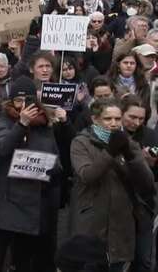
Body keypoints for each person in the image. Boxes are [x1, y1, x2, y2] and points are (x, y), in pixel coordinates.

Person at [0, 77, 65, 272]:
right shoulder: (3, 121)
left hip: (33, 197)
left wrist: (50, 167)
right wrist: (21, 124)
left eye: (27, 101)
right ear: (11, 102)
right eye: (18, 101)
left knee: (24, 252)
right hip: (9, 196)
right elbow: (3, 148)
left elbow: (55, 157)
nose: (22, 106)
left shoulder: (45, 125)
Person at [70, 97, 155, 272]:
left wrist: (131, 156)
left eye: (117, 119)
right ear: (95, 119)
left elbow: (147, 183)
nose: (114, 124)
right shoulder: (81, 142)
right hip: (92, 221)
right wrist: (110, 152)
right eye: (108, 119)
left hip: (121, 223)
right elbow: (88, 175)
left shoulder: (128, 143)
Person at [119, 95, 157, 272]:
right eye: (132, 117)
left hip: (142, 205)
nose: (136, 123)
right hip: (115, 204)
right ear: (122, 113)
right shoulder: (109, 133)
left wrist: (150, 165)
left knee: (143, 260)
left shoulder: (151, 136)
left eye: (141, 119)